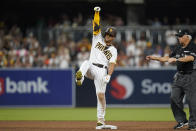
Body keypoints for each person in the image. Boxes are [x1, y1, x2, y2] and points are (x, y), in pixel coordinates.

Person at [75, 7, 117, 128]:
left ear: (113, 37)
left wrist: (109, 75)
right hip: (91, 67)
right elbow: (96, 24)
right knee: (85, 62)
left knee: (100, 95)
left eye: (111, 35)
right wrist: (96, 13)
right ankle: (80, 78)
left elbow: (112, 64)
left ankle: (101, 120)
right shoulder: (97, 37)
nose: (109, 36)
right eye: (108, 33)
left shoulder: (113, 50)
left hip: (102, 71)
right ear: (106, 34)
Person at [146, 30, 196, 130]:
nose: (179, 38)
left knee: (192, 101)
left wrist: (177, 59)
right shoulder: (178, 48)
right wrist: (154, 58)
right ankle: (182, 121)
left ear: (187, 37)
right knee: (174, 98)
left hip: (191, 75)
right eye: (178, 36)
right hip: (179, 75)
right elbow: (167, 58)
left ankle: (193, 124)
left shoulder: (193, 47)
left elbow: (190, 58)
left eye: (181, 36)